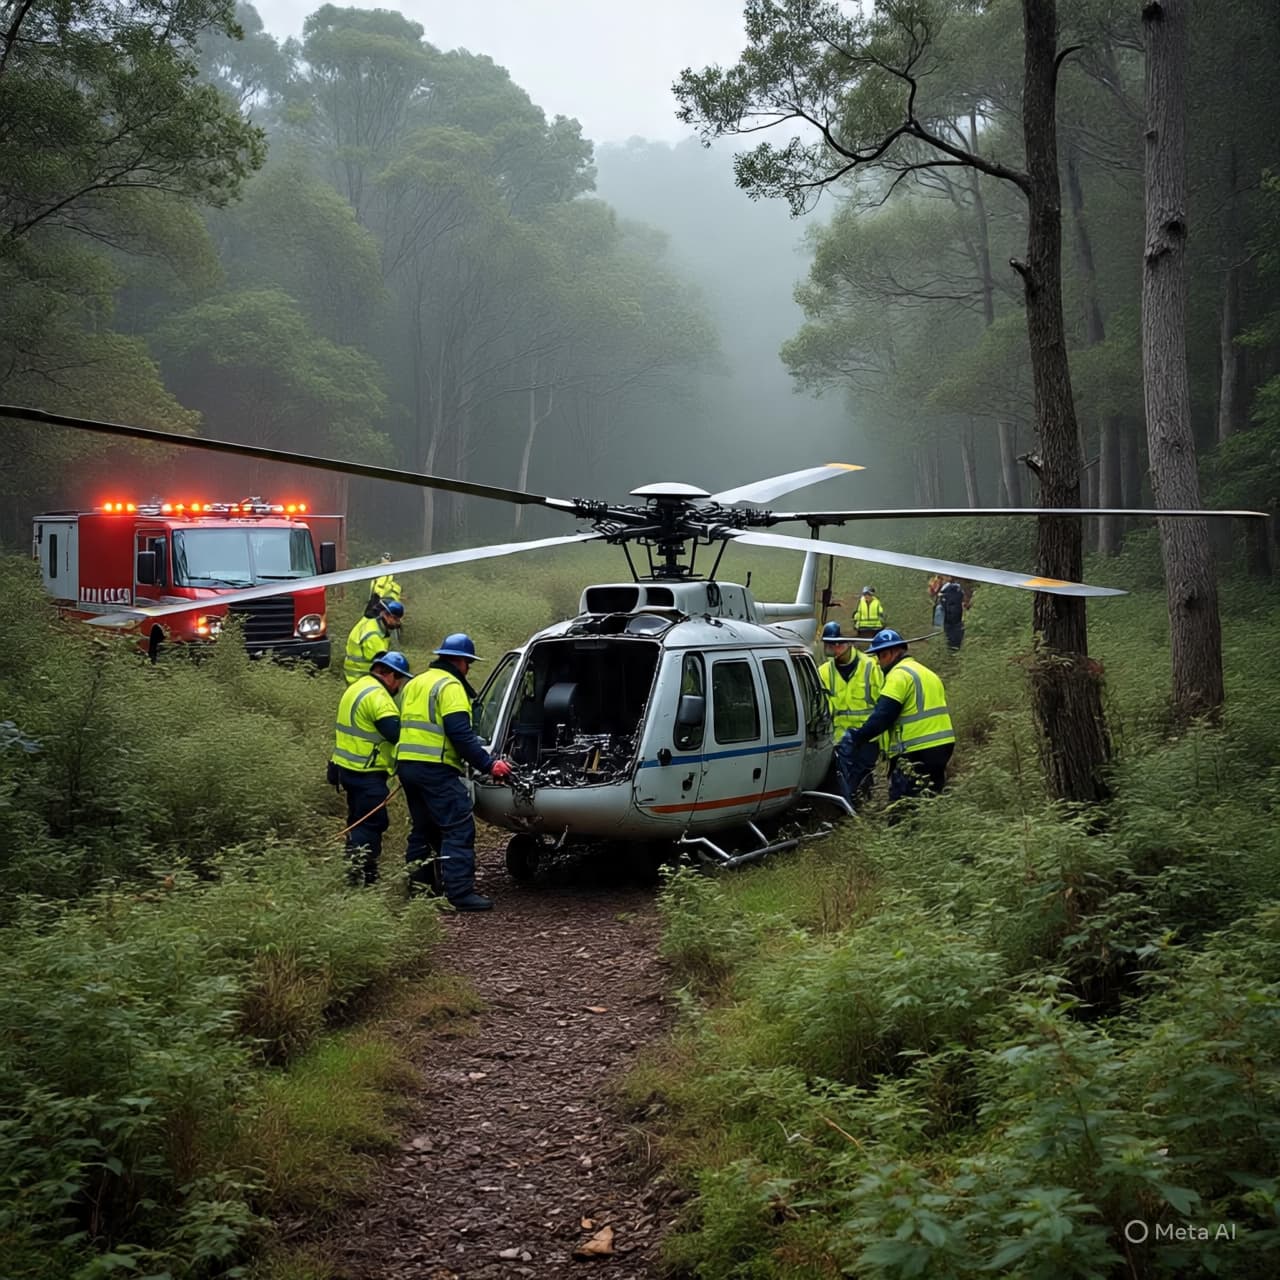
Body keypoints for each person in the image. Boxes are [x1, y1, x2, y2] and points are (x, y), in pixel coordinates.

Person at [396, 633, 513, 911]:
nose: (468, 669)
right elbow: (459, 733)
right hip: (435, 768)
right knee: (458, 827)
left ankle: (420, 891)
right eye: (468, 663)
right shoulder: (450, 686)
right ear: (459, 661)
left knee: (423, 829)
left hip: (407, 765)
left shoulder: (416, 682)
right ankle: (459, 894)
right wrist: (489, 765)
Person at [841, 629, 955, 805]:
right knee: (931, 797)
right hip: (943, 744)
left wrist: (857, 737)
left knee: (903, 804)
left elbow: (883, 715)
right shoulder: (926, 672)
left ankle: (904, 831)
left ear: (894, 652)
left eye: (881, 655)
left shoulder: (898, 675)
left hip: (916, 749)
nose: (878, 663)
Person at [330, 651, 413, 885]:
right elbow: (395, 734)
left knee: (357, 819)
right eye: (400, 680)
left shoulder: (356, 688)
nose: (399, 686)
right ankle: (361, 878)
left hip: (346, 769)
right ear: (390, 675)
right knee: (371, 823)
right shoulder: (378, 697)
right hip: (367, 772)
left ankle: (356, 873)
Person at [818, 620, 883, 805]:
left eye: (834, 645)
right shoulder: (824, 672)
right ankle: (849, 812)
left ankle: (861, 805)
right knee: (844, 780)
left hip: (867, 737)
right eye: (828, 645)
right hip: (840, 739)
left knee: (862, 776)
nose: (832, 649)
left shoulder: (870, 667)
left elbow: (883, 705)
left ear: (844, 643)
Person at [344, 598, 404, 684]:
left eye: (398, 619)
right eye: (395, 618)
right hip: (361, 679)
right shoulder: (373, 635)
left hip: (357, 678)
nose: (397, 623)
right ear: (384, 614)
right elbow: (383, 664)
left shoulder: (371, 622)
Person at [938, 577, 966, 650]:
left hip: (951, 620)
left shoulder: (951, 590)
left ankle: (952, 646)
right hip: (954, 619)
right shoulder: (956, 590)